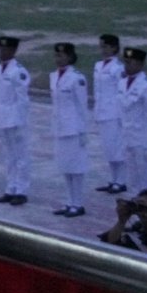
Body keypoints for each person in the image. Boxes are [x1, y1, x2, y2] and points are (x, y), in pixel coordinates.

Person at [48, 42, 90, 217]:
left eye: (62, 55)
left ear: (70, 57)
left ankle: (77, 204)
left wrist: (83, 131)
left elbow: (82, 106)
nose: (58, 59)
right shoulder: (54, 76)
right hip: (60, 127)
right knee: (65, 167)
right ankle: (69, 202)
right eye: (56, 55)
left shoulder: (77, 78)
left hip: (73, 128)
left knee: (76, 168)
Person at [0, 35, 33, 205]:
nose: (2, 52)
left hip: (16, 120)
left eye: (6, 49)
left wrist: (20, 122)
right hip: (3, 119)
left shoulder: (19, 72)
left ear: (14, 50)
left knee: (20, 156)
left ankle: (21, 190)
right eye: (0, 48)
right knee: (9, 157)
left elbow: (23, 100)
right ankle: (10, 188)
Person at [118, 46, 147, 193]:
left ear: (141, 64)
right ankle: (134, 205)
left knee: (146, 182)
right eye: (125, 62)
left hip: (142, 141)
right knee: (132, 180)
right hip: (128, 138)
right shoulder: (122, 83)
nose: (127, 65)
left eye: (130, 62)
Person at [93, 33, 129, 194]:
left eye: (106, 47)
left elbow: (122, 91)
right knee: (108, 148)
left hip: (114, 112)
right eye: (101, 46)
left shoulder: (118, 68)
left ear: (114, 48)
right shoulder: (98, 65)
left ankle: (121, 181)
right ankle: (113, 179)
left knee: (116, 148)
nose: (103, 50)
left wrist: (121, 114)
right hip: (102, 111)